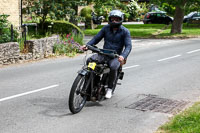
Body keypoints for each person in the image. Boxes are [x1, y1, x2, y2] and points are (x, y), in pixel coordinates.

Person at [82, 10, 132, 99]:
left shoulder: (125, 31)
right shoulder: (105, 28)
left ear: (121, 20)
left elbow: (128, 46)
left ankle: (110, 88)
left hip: (116, 56)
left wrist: (123, 56)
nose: (114, 21)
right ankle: (91, 82)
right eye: (112, 19)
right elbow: (96, 38)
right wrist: (87, 46)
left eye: (117, 19)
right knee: (90, 60)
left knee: (113, 67)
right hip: (103, 54)